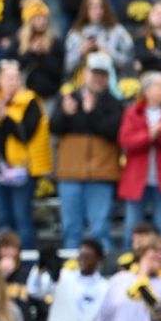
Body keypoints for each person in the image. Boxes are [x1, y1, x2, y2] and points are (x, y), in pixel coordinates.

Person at [0, 61, 50, 249]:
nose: (13, 82)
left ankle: (25, 261)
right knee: (2, 217)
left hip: (21, 170)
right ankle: (3, 260)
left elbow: (25, 134)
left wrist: (5, 116)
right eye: (8, 77)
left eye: (16, 77)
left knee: (21, 216)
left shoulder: (31, 101)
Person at [50, 53, 122, 250]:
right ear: (85, 74)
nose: (99, 78)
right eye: (95, 73)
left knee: (100, 229)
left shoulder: (114, 103)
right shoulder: (68, 98)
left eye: (103, 74)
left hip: (101, 175)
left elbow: (113, 132)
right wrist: (65, 114)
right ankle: (72, 272)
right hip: (71, 174)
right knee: (71, 230)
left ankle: (105, 272)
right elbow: (54, 128)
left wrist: (92, 112)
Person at [118, 72, 161, 247]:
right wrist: (149, 136)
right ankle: (129, 264)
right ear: (147, 90)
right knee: (132, 227)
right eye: (160, 86)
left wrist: (160, 135)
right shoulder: (132, 113)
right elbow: (126, 141)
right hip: (137, 179)